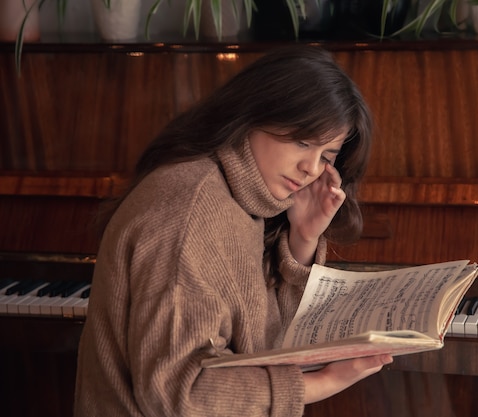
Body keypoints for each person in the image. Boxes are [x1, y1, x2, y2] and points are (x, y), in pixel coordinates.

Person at [74, 45, 392, 417]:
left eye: (327, 155)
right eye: (303, 141)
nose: (310, 168)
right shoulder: (190, 210)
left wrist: (302, 239)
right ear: (253, 114)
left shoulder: (247, 201)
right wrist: (322, 383)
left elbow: (268, 348)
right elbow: (178, 393)